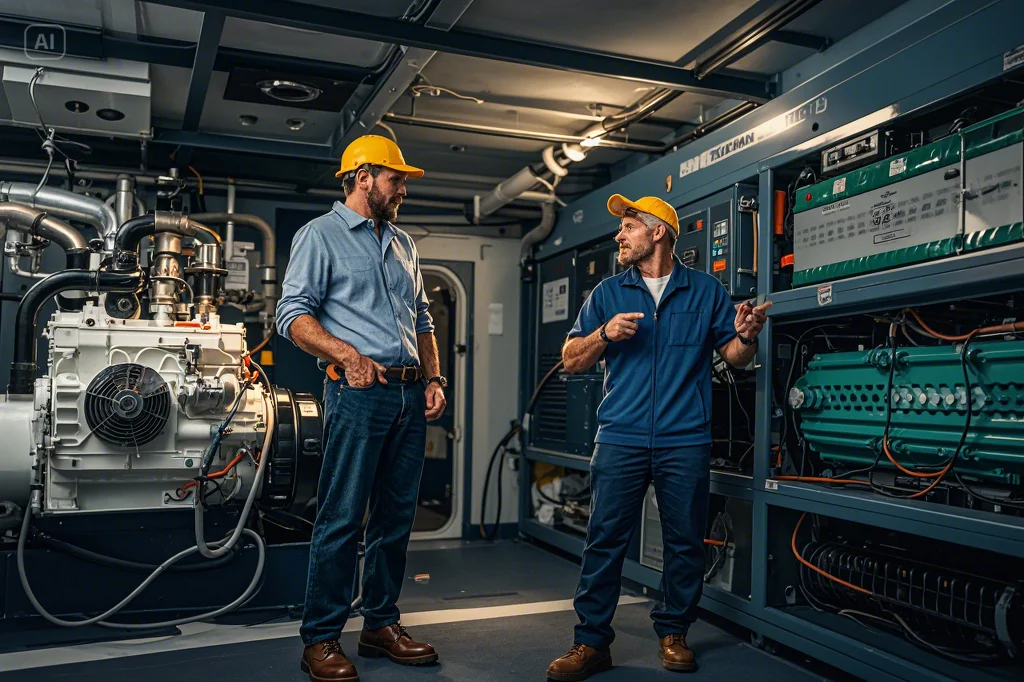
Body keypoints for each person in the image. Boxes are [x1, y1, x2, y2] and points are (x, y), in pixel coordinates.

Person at [546, 194, 770, 680]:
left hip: (684, 439)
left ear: (658, 232)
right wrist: (604, 334)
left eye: (628, 226)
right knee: (604, 541)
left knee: (685, 541)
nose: (619, 235)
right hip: (621, 436)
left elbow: (734, 357)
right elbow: (570, 359)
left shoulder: (705, 291)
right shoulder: (607, 293)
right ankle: (590, 643)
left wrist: (748, 335)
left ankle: (673, 632)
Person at [276, 135, 449, 682]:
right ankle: (322, 637)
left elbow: (422, 318)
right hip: (357, 393)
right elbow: (292, 316)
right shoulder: (319, 236)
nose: (403, 190)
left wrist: (434, 376)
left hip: (406, 393)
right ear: (363, 176)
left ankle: (379, 624)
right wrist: (347, 355)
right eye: (397, 180)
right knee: (343, 515)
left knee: (396, 519)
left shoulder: (403, 243)